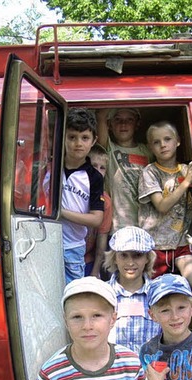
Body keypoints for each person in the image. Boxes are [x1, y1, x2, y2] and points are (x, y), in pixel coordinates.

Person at [138, 121, 192, 289]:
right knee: (153, 289)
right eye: (156, 142)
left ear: (178, 141)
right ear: (150, 147)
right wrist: (187, 181)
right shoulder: (150, 172)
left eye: (167, 139)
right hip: (156, 245)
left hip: (181, 243)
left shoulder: (186, 170)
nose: (163, 145)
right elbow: (162, 206)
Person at [61, 108, 105, 284]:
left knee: (72, 294)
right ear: (63, 137)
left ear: (93, 140)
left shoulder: (94, 177)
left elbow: (96, 219)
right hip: (45, 242)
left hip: (73, 246)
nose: (78, 143)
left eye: (84, 138)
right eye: (72, 137)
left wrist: (60, 212)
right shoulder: (49, 167)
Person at [104, 226, 162, 354]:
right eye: (124, 255)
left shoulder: (159, 294)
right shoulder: (102, 294)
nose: (130, 263)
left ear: (147, 258)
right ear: (114, 258)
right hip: (113, 370)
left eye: (137, 255)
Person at [96, 108, 151, 232]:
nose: (123, 124)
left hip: (144, 226)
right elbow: (101, 114)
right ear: (110, 125)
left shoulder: (148, 151)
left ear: (137, 124)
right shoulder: (108, 148)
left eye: (129, 120)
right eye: (117, 120)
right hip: (117, 227)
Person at [84, 144, 113, 279]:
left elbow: (101, 242)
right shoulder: (72, 190)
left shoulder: (105, 201)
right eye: (94, 166)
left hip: (88, 259)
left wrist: (95, 272)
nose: (98, 171)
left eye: (102, 168)